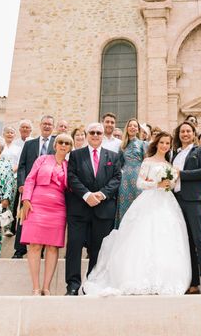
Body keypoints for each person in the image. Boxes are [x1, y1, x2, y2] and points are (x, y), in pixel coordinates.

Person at [83, 132, 191, 295]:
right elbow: (140, 183)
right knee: (144, 236)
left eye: (167, 143)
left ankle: (163, 278)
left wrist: (170, 183)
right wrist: (157, 183)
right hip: (148, 201)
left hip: (167, 203)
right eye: (162, 142)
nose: (164, 146)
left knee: (165, 237)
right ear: (156, 143)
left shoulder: (170, 166)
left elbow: (172, 187)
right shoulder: (147, 161)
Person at [65, 122, 122, 295]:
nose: (95, 135)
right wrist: (86, 195)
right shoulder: (75, 155)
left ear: (103, 135)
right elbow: (72, 177)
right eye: (92, 132)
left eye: (99, 132)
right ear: (87, 134)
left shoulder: (113, 156)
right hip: (79, 209)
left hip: (103, 209)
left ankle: (92, 283)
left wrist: (102, 194)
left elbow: (116, 178)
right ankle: (73, 285)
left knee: (98, 249)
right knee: (74, 247)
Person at [21, 133, 72, 295]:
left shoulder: (70, 165)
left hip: (58, 208)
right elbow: (30, 179)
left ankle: (46, 287)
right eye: (61, 142)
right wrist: (26, 199)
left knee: (52, 247)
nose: (63, 145)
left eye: (67, 143)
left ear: (70, 148)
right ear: (55, 145)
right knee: (34, 245)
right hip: (36, 204)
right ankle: (36, 287)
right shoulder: (42, 159)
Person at [172, 121, 201, 295]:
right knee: (186, 242)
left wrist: (181, 174)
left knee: (199, 241)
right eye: (182, 131)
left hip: (195, 200)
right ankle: (194, 283)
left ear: (193, 133)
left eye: (188, 131)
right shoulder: (174, 154)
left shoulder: (200, 150)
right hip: (177, 200)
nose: (185, 134)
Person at [12, 115, 56, 259]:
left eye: (50, 124)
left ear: (53, 126)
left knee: (42, 220)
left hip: (47, 189)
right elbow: (22, 165)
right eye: (45, 124)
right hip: (29, 188)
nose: (47, 126)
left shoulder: (57, 144)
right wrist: (22, 184)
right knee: (23, 217)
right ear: (40, 125)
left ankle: (41, 251)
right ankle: (19, 250)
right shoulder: (30, 144)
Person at [114, 118, 145, 227]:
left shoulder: (143, 144)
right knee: (125, 205)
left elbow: (146, 161)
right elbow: (119, 164)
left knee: (139, 206)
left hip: (139, 176)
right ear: (127, 128)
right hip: (125, 178)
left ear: (138, 129)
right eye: (130, 125)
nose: (132, 127)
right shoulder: (122, 146)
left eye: (135, 126)